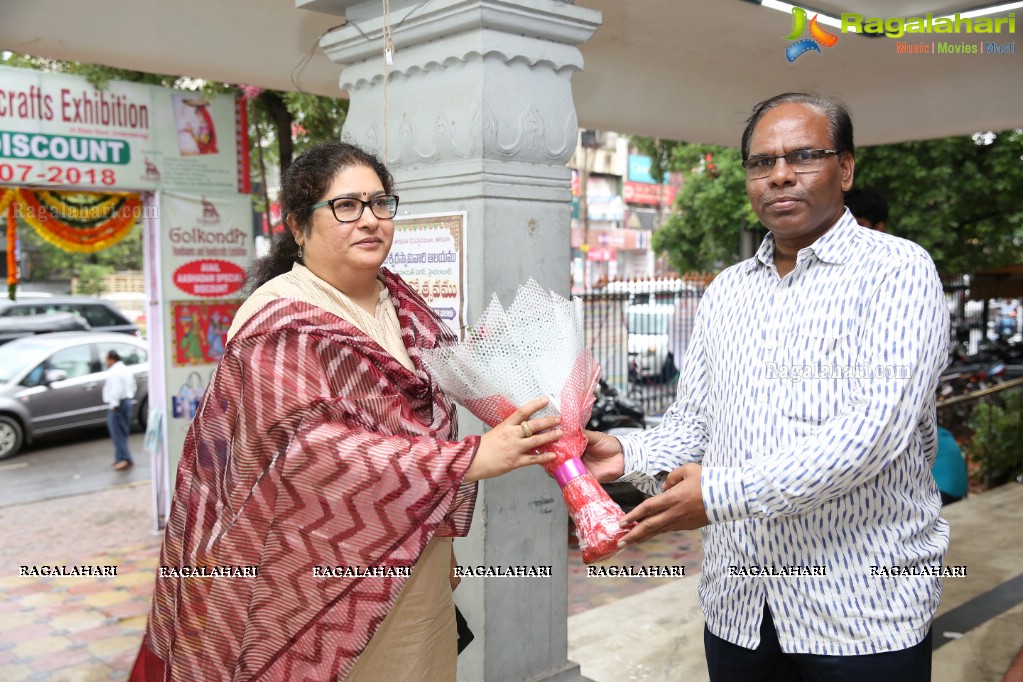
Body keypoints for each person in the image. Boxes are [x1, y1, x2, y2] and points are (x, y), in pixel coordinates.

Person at [130, 141, 562, 680]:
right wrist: (466, 460)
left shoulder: (405, 305)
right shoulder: (277, 321)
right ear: (298, 224)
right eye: (345, 206)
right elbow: (307, 452)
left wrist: (446, 529)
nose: (369, 220)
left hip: (415, 557)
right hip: (313, 574)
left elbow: (430, 413)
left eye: (381, 203)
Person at [583, 93, 949, 681]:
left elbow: (874, 432)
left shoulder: (898, 271)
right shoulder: (728, 291)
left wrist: (722, 493)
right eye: (761, 162)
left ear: (846, 169)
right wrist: (626, 453)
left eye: (804, 156)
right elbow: (695, 425)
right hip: (740, 607)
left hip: (861, 612)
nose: (779, 174)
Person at [103, 349, 136, 471]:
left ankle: (124, 459)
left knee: (117, 433)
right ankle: (119, 457)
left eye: (106, 358)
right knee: (122, 431)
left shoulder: (115, 372)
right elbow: (133, 386)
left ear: (112, 359)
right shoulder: (125, 369)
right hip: (126, 401)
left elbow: (116, 390)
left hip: (119, 404)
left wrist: (114, 404)